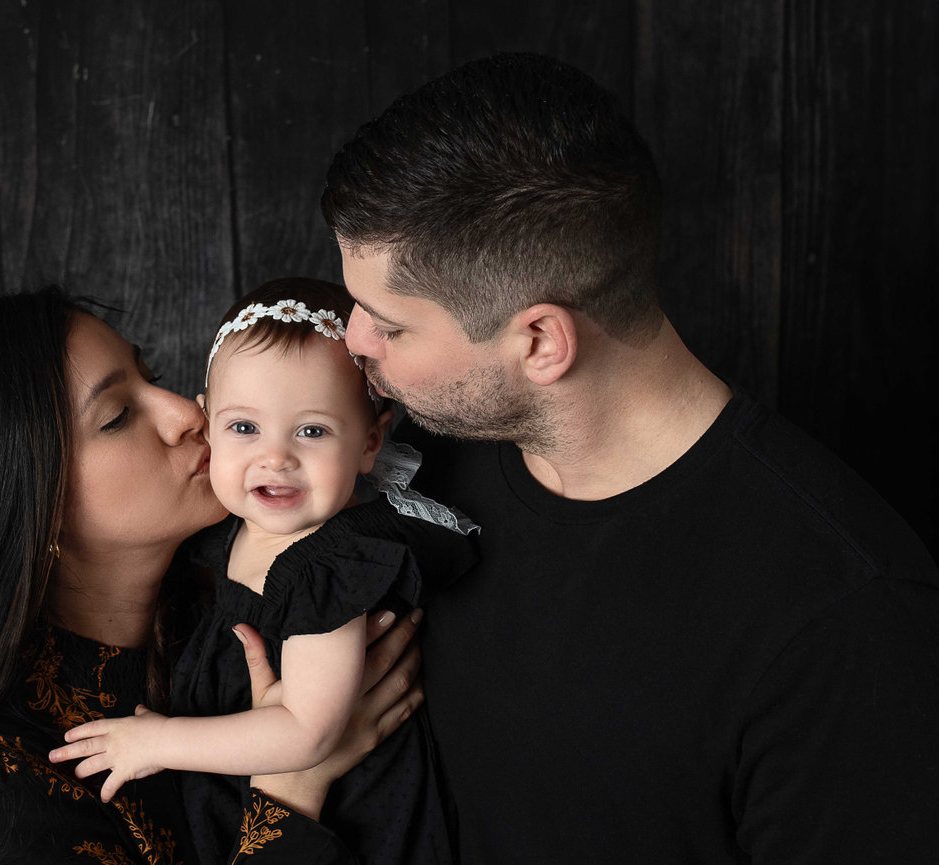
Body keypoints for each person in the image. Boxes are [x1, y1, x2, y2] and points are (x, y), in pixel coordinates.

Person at [321, 52, 939, 864]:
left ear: (541, 340)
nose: (349, 339)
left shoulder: (844, 618)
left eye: (386, 323)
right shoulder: (406, 466)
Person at [0, 287, 427, 865]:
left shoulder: (249, 595)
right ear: (32, 507)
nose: (188, 413)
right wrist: (294, 782)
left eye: (153, 377)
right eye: (117, 416)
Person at [50, 278, 475, 865]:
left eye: (312, 431)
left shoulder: (328, 564)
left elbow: (308, 732)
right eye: (245, 427)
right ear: (212, 419)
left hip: (356, 829)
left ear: (371, 442)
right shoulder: (225, 535)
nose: (275, 458)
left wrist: (158, 741)